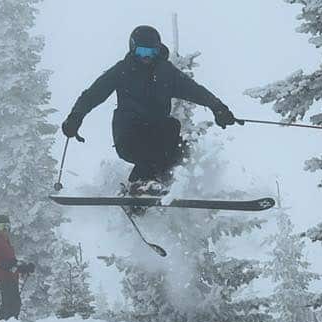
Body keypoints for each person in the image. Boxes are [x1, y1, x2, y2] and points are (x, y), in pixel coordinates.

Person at [60, 25, 243, 195]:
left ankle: (156, 190)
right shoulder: (122, 71)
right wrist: (75, 118)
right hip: (129, 135)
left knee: (178, 147)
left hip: (157, 133)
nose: (146, 57)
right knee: (156, 142)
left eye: (152, 51)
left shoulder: (165, 72)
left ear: (158, 50)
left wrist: (219, 108)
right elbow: (93, 94)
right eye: (142, 51)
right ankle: (140, 184)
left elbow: (195, 91)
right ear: (133, 49)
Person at [0, 214, 34, 321]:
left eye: (7, 226)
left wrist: (24, 268)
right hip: (4, 278)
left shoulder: (7, 242)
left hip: (12, 278)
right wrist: (1, 264)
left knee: (13, 304)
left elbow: (12, 263)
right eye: (1, 226)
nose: (5, 229)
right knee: (11, 303)